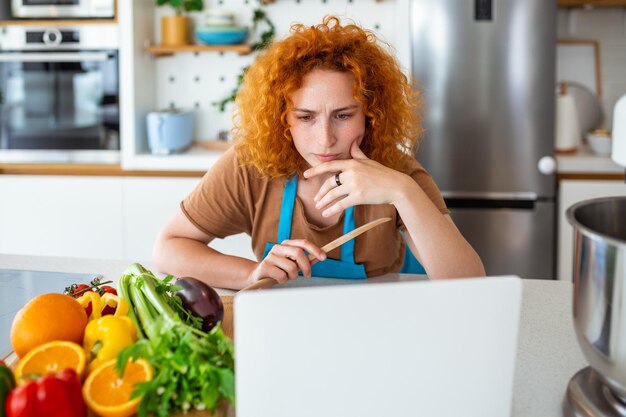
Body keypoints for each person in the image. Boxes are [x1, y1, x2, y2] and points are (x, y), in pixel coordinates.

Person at [152, 16, 485, 290]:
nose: (325, 139)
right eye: (305, 117)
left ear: (370, 115)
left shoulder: (395, 169)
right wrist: (250, 274)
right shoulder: (249, 167)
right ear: (281, 118)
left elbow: (470, 284)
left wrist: (403, 192)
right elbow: (168, 248)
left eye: (343, 116)